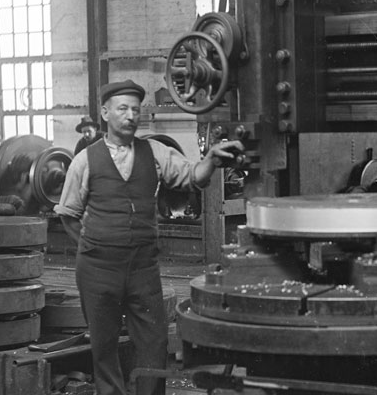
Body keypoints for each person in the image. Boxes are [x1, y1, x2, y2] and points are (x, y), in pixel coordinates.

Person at [54, 79, 243, 395]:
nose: (130, 116)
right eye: (122, 109)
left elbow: (192, 176)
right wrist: (92, 246)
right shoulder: (84, 161)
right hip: (98, 269)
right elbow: (67, 213)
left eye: (135, 110)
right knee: (104, 346)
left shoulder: (155, 152)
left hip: (143, 268)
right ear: (105, 113)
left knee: (154, 343)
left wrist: (211, 159)